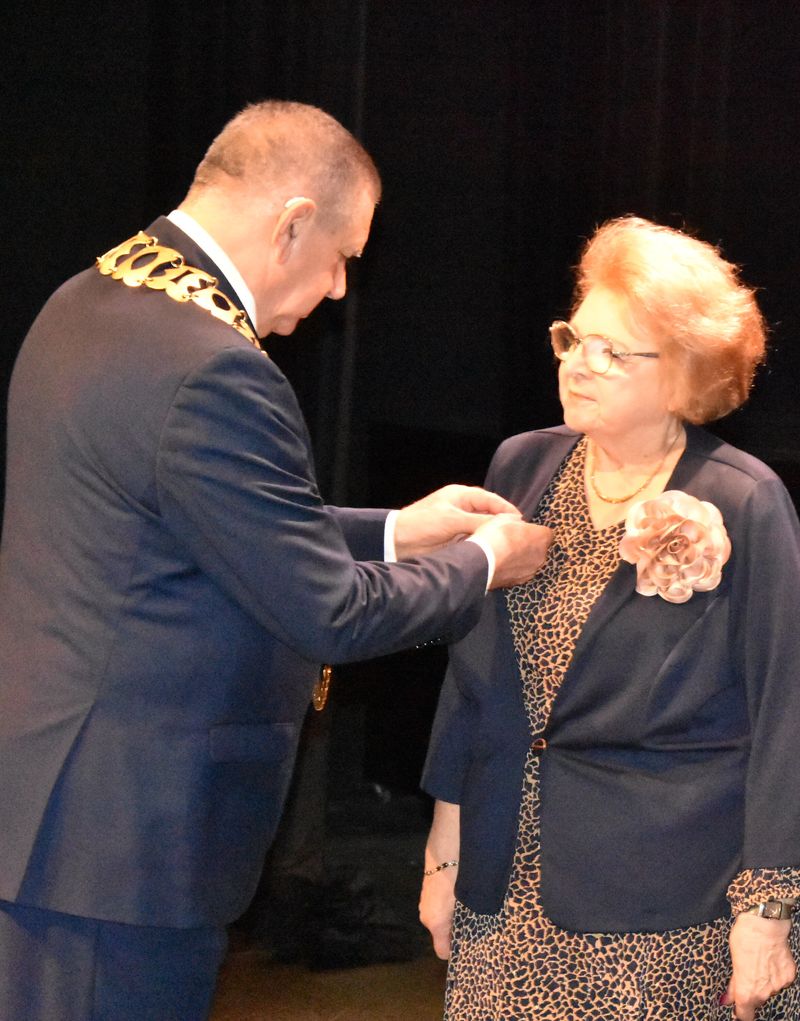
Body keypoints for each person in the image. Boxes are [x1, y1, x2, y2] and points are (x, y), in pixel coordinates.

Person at [0, 100, 552, 1019]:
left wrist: (397, 530)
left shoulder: (87, 303)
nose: (338, 289)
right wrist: (483, 562)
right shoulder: (213, 365)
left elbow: (206, 525)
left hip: (60, 814)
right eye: (342, 256)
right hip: (126, 845)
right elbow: (331, 612)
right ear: (293, 221)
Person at [418, 216, 800, 1021]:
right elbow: (474, 675)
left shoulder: (742, 499)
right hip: (504, 880)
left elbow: (790, 713)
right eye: (574, 338)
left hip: (667, 900)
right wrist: (447, 845)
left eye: (613, 350)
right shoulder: (523, 464)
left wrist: (768, 908)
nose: (580, 362)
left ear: (684, 371)